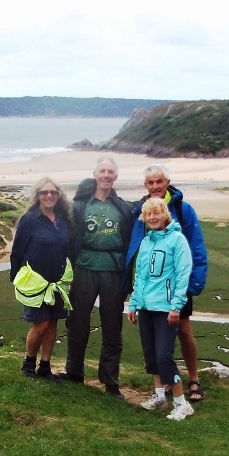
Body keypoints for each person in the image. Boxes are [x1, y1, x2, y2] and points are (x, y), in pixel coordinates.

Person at [124, 163, 208, 402]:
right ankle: (163, 388)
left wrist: (193, 285)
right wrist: (133, 294)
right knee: (156, 344)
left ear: (167, 182)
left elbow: (196, 247)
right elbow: (138, 249)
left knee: (183, 330)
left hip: (178, 286)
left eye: (159, 181)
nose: (155, 186)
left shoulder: (183, 209)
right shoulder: (142, 211)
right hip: (151, 290)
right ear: (145, 185)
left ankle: (193, 379)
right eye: (150, 182)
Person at [62, 156, 133, 398]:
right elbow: (68, 237)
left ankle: (111, 381)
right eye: (102, 171)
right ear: (95, 175)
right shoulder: (80, 205)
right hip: (84, 267)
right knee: (77, 322)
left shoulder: (124, 207)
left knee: (113, 326)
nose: (105, 175)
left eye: (110, 172)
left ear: (115, 177)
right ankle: (74, 372)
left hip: (113, 269)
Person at [126, 197, 194, 420]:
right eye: (148, 215)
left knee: (165, 356)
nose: (153, 218)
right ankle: (158, 396)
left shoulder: (177, 240)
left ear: (165, 214)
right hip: (146, 307)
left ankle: (181, 403)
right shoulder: (146, 242)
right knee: (151, 355)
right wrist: (133, 304)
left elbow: (183, 275)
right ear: (144, 218)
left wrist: (176, 306)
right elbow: (140, 277)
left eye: (156, 213)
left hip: (166, 309)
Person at [10, 177, 73, 380]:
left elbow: (68, 248)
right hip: (36, 282)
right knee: (41, 324)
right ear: (38, 196)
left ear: (58, 196)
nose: (49, 196)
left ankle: (45, 367)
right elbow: (17, 251)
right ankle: (28, 364)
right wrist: (15, 278)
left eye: (53, 192)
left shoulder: (63, 219)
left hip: (57, 283)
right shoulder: (29, 220)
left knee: (53, 323)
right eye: (44, 192)